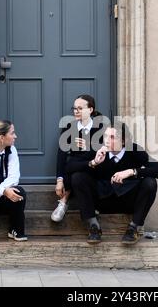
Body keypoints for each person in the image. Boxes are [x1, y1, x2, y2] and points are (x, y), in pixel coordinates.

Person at [66, 122, 158, 245]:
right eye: (105, 136)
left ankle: (133, 228)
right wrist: (93, 162)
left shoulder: (134, 150)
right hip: (102, 201)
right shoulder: (98, 149)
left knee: (150, 182)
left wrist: (132, 171)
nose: (107, 141)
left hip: (126, 200)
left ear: (124, 141)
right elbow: (69, 166)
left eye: (112, 137)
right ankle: (94, 226)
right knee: (78, 177)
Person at [52, 94, 105, 222]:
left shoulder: (101, 128)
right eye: (74, 108)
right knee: (74, 169)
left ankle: (64, 200)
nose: (76, 111)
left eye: (80, 108)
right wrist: (59, 180)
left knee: (76, 166)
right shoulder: (70, 127)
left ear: (90, 110)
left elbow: (105, 153)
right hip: (75, 170)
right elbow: (62, 154)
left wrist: (88, 146)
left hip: (95, 169)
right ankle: (65, 202)